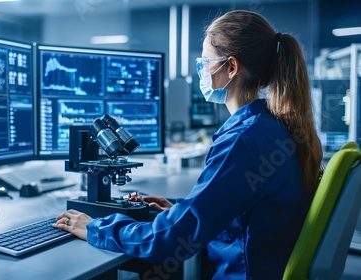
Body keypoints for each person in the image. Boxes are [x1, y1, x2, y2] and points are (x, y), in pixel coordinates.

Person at [54, 10, 323, 279]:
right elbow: (252, 215)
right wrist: (183, 211)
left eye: (206, 61)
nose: (202, 70)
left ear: (231, 67)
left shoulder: (243, 141)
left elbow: (168, 241)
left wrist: (95, 228)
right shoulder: (274, 126)